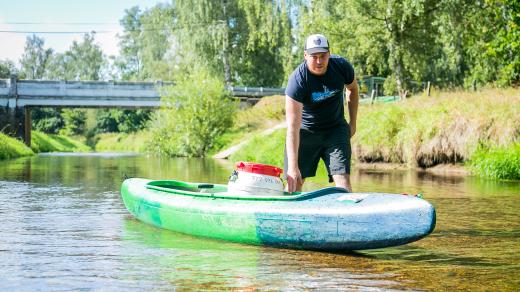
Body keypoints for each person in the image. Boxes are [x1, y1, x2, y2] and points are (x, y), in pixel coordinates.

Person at [284, 33, 359, 193]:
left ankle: (345, 215)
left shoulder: (341, 67)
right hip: (306, 132)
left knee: (343, 183)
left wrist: (353, 123)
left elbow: (352, 89)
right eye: (314, 56)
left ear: (329, 54)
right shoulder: (297, 81)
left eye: (323, 56)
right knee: (294, 182)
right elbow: (292, 127)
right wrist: (292, 167)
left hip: (335, 130)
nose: (319, 61)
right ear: (305, 55)